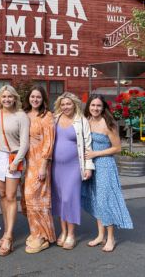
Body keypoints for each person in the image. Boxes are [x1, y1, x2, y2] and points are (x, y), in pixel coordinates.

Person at [81, 95, 133, 252]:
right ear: (88, 106)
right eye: (93, 105)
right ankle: (100, 235)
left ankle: (111, 238)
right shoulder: (86, 121)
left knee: (105, 201)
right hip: (90, 166)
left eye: (98, 106)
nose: (95, 108)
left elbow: (117, 148)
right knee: (95, 200)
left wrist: (96, 154)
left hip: (105, 165)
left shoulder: (108, 123)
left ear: (103, 108)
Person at [0, 85, 30, 256]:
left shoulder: (21, 116)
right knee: (2, 194)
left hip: (13, 157)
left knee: (12, 197)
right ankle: (6, 230)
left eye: (10, 97)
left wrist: (17, 161)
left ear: (15, 98)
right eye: (3, 96)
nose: (6, 99)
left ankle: (9, 236)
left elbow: (25, 143)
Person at [51, 92, 94, 250]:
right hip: (55, 167)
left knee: (70, 198)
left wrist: (88, 166)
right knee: (60, 199)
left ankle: (71, 234)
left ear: (74, 104)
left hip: (74, 167)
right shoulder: (55, 119)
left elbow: (87, 145)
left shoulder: (81, 121)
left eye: (68, 104)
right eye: (63, 104)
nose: (65, 107)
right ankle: (63, 232)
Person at [21, 85, 55, 253]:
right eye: (32, 96)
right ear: (28, 97)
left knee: (36, 197)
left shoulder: (47, 116)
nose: (35, 99)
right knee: (28, 200)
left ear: (43, 100)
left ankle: (42, 235)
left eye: (38, 97)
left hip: (39, 162)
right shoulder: (25, 115)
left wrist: (43, 165)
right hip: (26, 162)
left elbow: (49, 142)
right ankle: (35, 231)